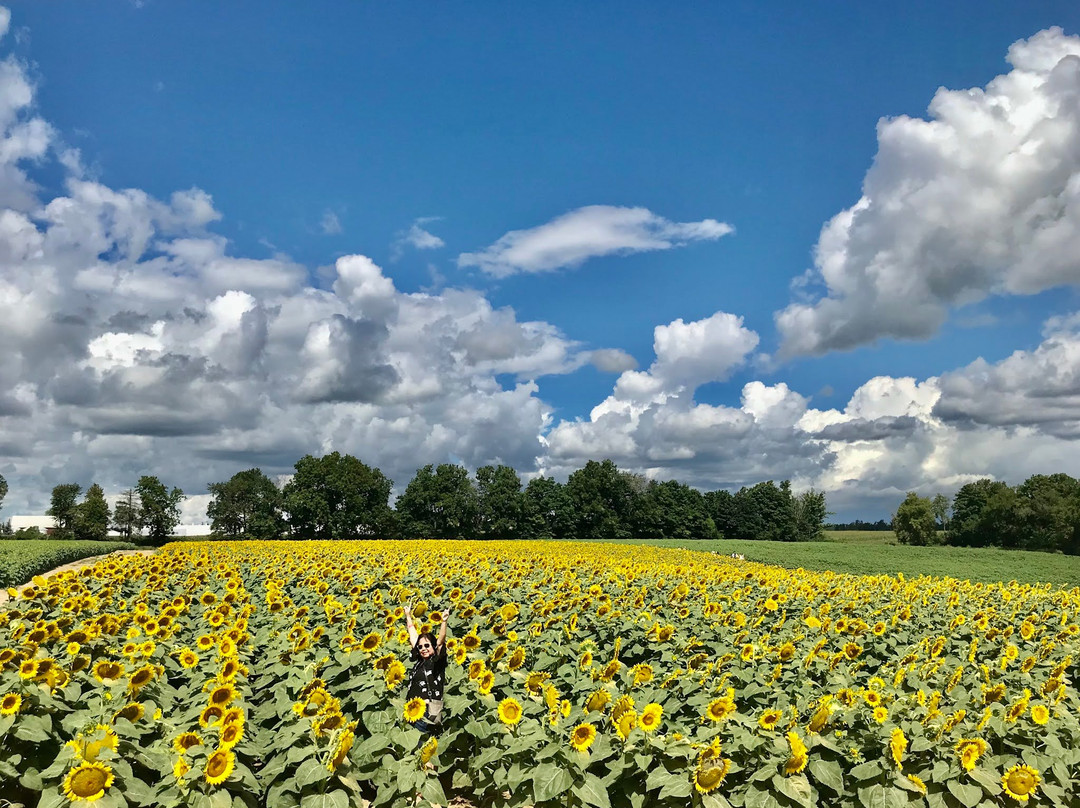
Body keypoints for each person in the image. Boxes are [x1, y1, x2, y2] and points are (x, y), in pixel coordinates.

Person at [404, 603, 450, 735]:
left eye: (427, 645)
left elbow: (440, 642)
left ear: (433, 646)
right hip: (412, 711)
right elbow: (414, 638)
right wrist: (408, 616)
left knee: (421, 742)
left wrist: (444, 622)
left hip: (426, 711)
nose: (423, 648)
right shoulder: (419, 663)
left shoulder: (436, 662)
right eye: (420, 647)